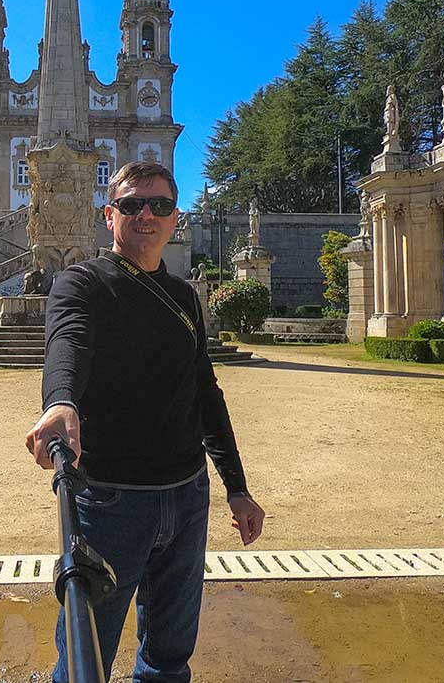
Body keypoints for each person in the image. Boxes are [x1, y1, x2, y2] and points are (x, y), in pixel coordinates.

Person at [25, 160, 265, 683]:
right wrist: (60, 402)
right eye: (132, 204)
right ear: (109, 215)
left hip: (186, 494)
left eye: (159, 205)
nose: (146, 215)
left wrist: (237, 488)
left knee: (170, 658)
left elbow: (205, 390)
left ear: (176, 218)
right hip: (111, 500)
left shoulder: (184, 297)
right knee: (87, 658)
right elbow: (67, 341)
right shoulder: (81, 283)